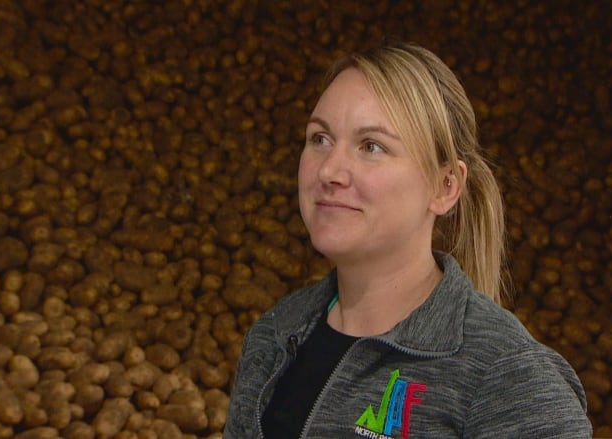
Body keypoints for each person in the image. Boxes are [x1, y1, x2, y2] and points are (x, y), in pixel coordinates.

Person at [224, 41, 592, 438]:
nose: (330, 169)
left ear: (445, 186)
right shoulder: (274, 335)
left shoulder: (512, 381)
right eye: (320, 138)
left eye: (372, 146)